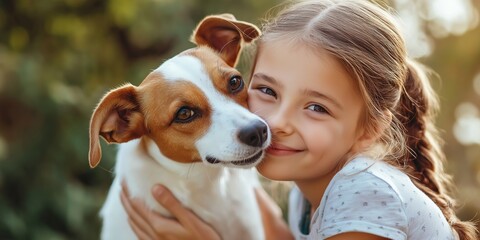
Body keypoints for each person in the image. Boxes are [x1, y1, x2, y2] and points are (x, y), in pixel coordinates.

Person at [120, 0, 479, 239]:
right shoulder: (307, 193)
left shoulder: (362, 190)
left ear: (369, 129)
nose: (275, 123)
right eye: (267, 92)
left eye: (317, 108)